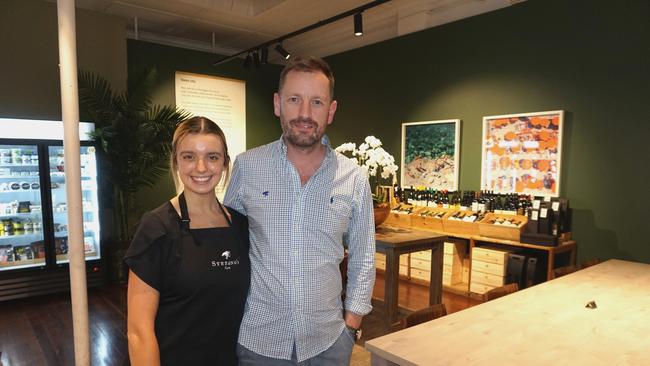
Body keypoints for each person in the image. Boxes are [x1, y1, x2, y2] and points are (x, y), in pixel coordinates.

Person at [224, 56, 375, 364]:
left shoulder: (354, 178)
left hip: (329, 344)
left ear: (331, 111)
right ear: (278, 104)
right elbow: (228, 247)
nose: (305, 113)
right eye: (295, 100)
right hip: (258, 343)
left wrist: (352, 328)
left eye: (317, 102)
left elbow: (364, 257)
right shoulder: (248, 166)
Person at [125, 116, 250, 366]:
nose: (201, 168)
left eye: (212, 157)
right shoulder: (157, 227)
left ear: (225, 163)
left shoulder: (240, 225)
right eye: (189, 156)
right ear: (176, 162)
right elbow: (139, 333)